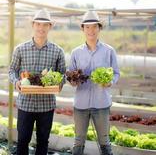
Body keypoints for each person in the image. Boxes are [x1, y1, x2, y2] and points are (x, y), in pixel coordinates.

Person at [9, 9, 66, 155]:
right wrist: (16, 82)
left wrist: (60, 83)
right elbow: (12, 71)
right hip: (25, 104)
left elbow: (63, 74)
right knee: (22, 140)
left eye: (45, 25)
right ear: (33, 25)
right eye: (38, 24)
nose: (41, 28)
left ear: (49, 27)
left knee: (43, 141)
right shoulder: (20, 49)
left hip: (46, 105)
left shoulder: (57, 51)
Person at [68, 10, 120, 155]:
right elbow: (70, 74)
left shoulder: (109, 51)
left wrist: (110, 82)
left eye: (94, 26)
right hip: (81, 104)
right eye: (87, 27)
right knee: (78, 142)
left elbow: (116, 73)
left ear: (99, 28)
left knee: (105, 142)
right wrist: (72, 81)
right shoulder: (76, 52)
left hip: (101, 104)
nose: (91, 30)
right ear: (83, 29)